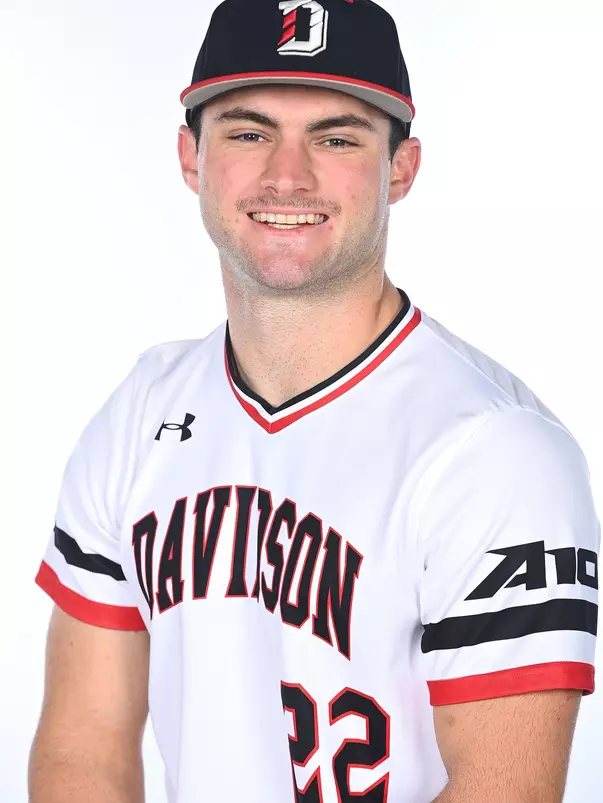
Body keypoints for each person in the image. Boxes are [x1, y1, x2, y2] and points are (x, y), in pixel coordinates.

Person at [28, 0, 599, 801]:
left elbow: (505, 793)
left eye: (335, 139)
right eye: (248, 133)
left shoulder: (497, 454)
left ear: (399, 169)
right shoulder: (140, 414)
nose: (287, 176)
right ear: (191, 157)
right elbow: (82, 745)